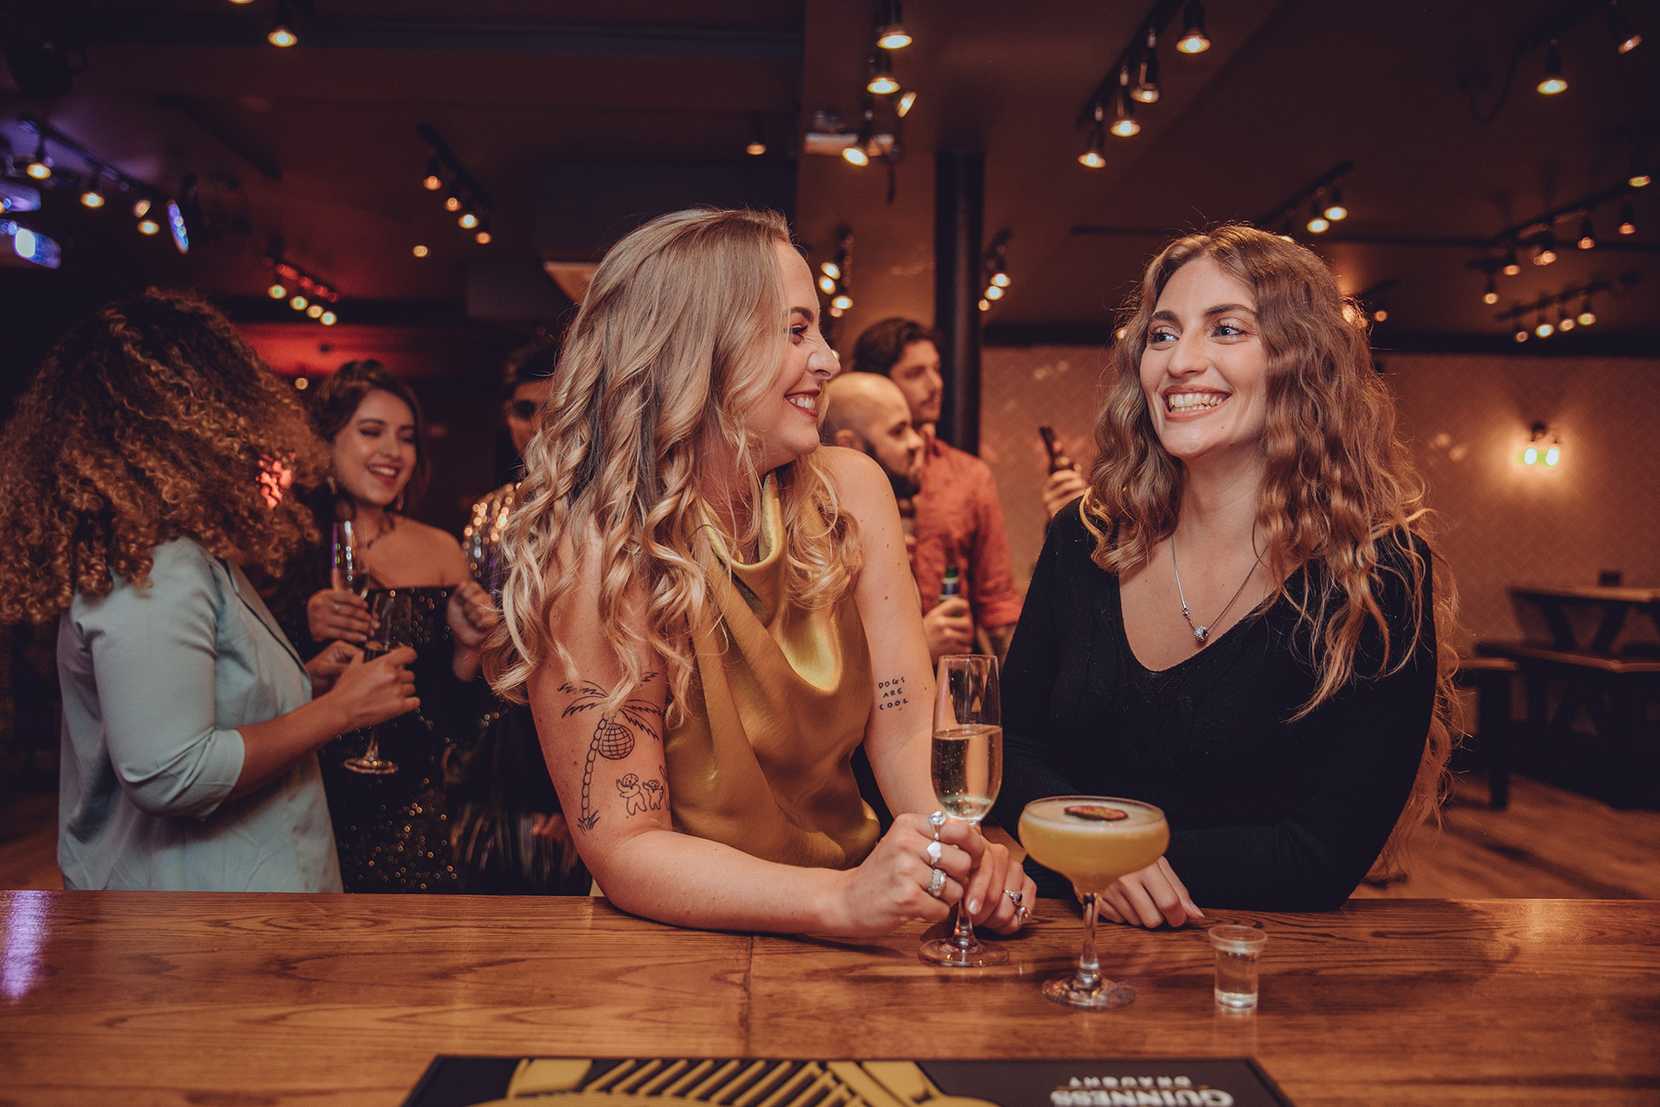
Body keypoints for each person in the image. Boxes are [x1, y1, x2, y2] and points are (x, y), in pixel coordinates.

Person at [487, 208, 1034, 936]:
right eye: (796, 330)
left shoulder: (853, 494)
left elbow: (906, 736)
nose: (830, 361)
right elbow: (626, 844)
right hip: (671, 945)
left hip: (855, 930)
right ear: (700, 350)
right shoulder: (600, 550)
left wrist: (959, 850)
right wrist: (835, 900)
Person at [993, 225, 1458, 924]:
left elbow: (1320, 856)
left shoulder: (1378, 574)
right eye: (1162, 334)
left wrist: (1120, 856)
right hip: (1065, 954)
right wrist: (1085, 850)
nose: (1182, 361)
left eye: (1227, 329)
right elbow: (1013, 746)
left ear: (1300, 362)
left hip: (1262, 975)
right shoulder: (1083, 539)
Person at [0, 289, 418, 891]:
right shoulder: (153, 564)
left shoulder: (182, 550)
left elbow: (206, 702)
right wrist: (338, 711)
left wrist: (304, 682)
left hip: (229, 917)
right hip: (193, 933)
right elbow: (170, 772)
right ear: (192, 419)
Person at [284, 361, 500, 892]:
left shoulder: (439, 548)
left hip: (409, 806)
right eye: (371, 431)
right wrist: (299, 623)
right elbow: (237, 693)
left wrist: (469, 653)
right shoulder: (283, 546)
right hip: (298, 796)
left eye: (405, 437)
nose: (393, 452)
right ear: (325, 440)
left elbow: (459, 722)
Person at [453, 341, 590, 894]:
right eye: (522, 411)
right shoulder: (486, 513)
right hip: (495, 745)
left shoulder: (599, 508)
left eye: (551, 410)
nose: (536, 427)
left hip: (575, 732)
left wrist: (580, 792)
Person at [849, 318, 1021, 662]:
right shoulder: (842, 476)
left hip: (952, 675)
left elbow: (997, 602)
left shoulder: (968, 475)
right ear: (879, 384)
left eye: (937, 370)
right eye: (915, 374)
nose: (936, 384)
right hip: (865, 678)